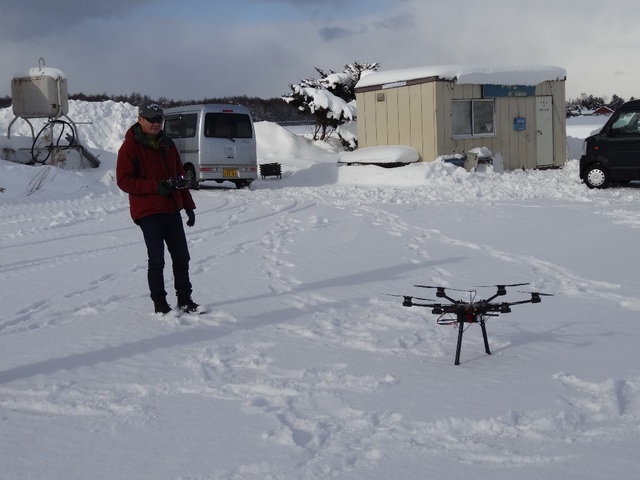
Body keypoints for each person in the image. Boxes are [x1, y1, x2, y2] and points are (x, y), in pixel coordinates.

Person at [116, 102, 202, 315]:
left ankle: (184, 299)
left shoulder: (168, 144)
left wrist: (188, 206)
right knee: (157, 259)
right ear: (140, 119)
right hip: (148, 212)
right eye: (152, 119)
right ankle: (159, 303)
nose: (156, 124)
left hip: (171, 209)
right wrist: (156, 186)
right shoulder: (130, 147)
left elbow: (179, 176)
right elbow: (124, 181)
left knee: (182, 257)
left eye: (159, 120)